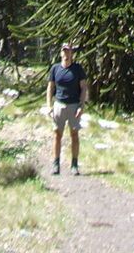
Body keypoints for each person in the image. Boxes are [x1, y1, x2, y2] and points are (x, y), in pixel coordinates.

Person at [46, 41, 88, 175]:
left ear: (72, 53)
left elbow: (83, 88)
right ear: (60, 53)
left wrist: (81, 106)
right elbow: (50, 87)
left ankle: (74, 165)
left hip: (74, 105)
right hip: (59, 105)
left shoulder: (77, 69)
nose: (66, 53)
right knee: (57, 134)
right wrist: (49, 105)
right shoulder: (55, 68)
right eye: (64, 51)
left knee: (74, 135)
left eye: (68, 51)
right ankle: (55, 164)